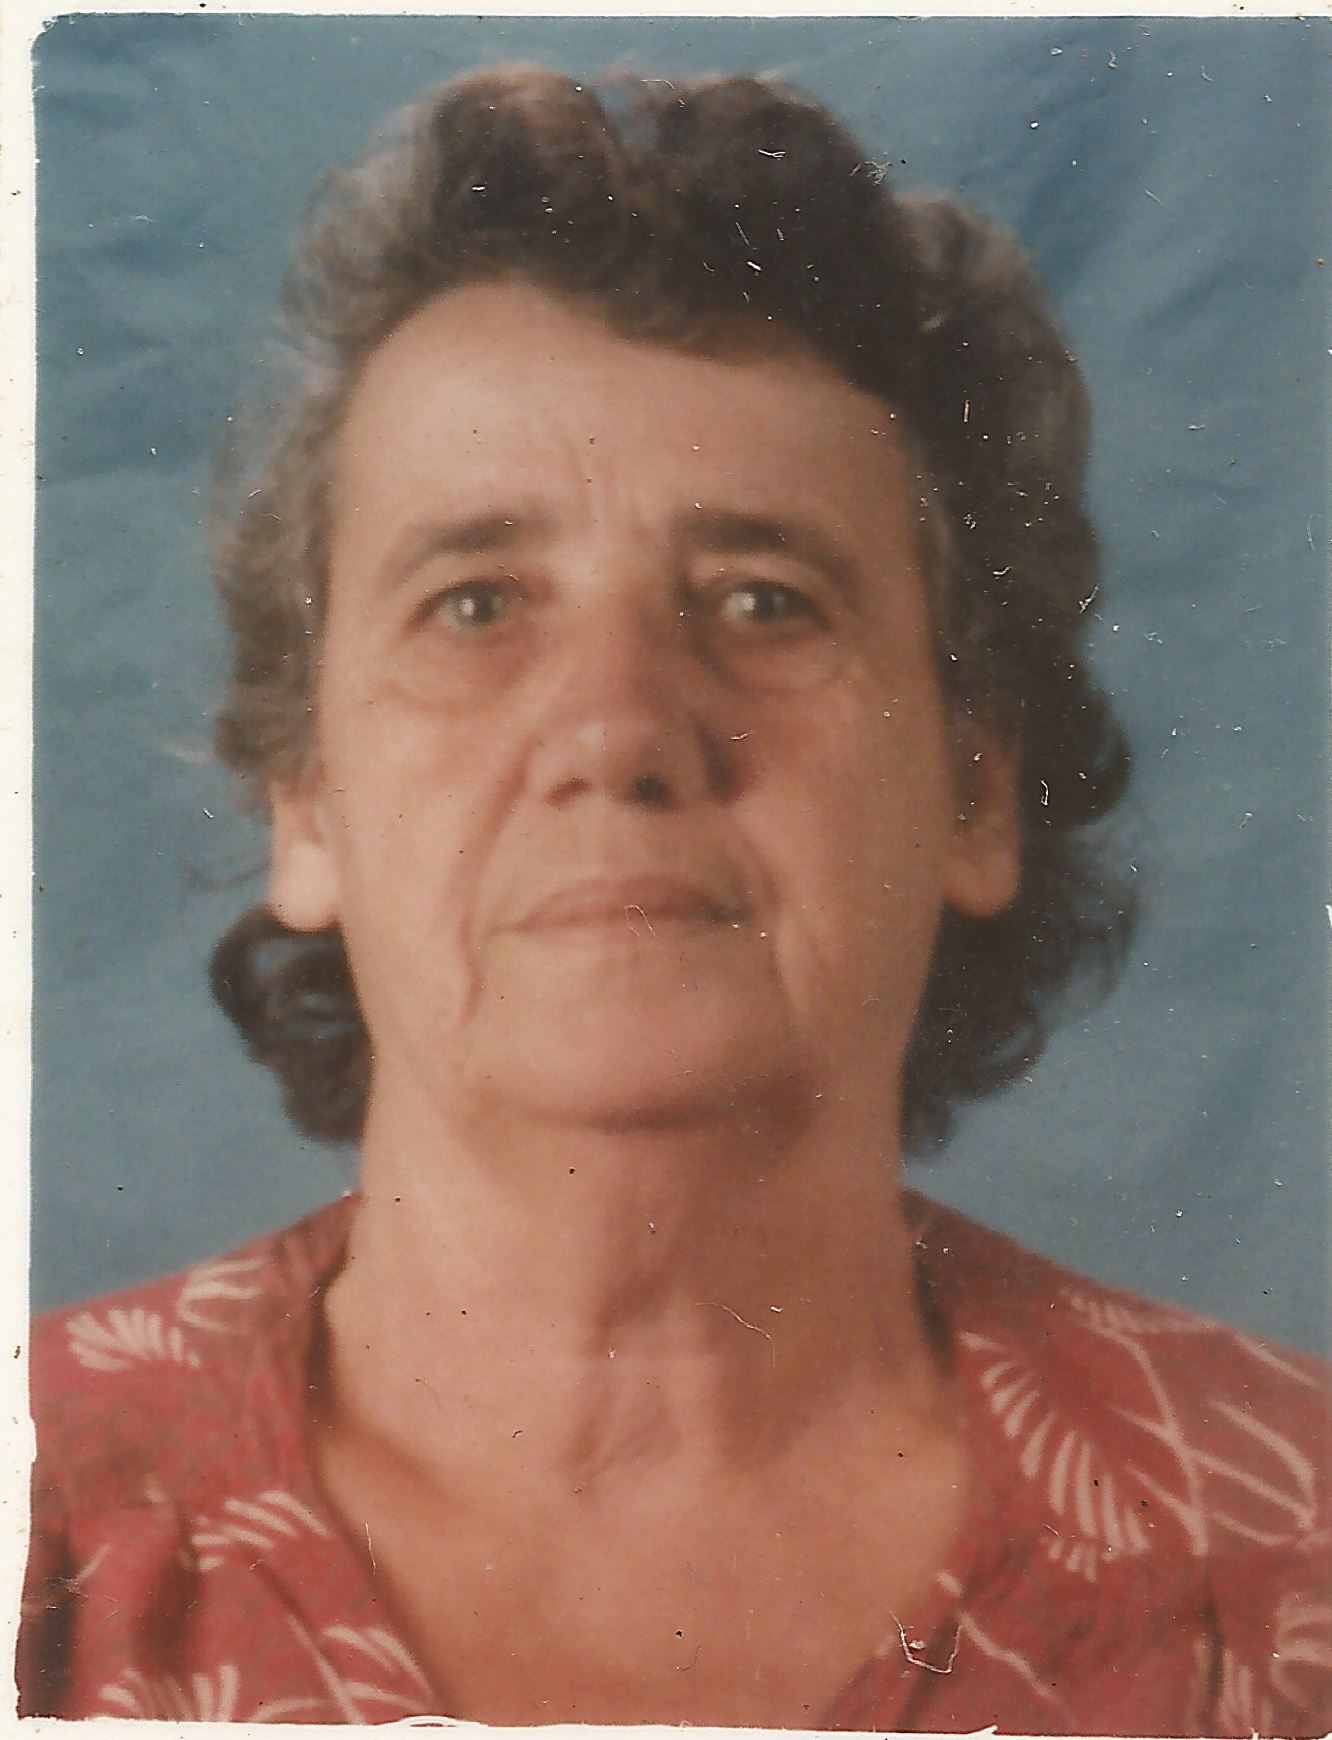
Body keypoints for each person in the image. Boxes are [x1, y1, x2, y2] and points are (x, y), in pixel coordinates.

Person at [19, 65, 1329, 1732]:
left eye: (766, 602)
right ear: (308, 799)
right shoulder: (41, 1522)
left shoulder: (1292, 1551)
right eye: (476, 604)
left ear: (976, 791)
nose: (618, 729)